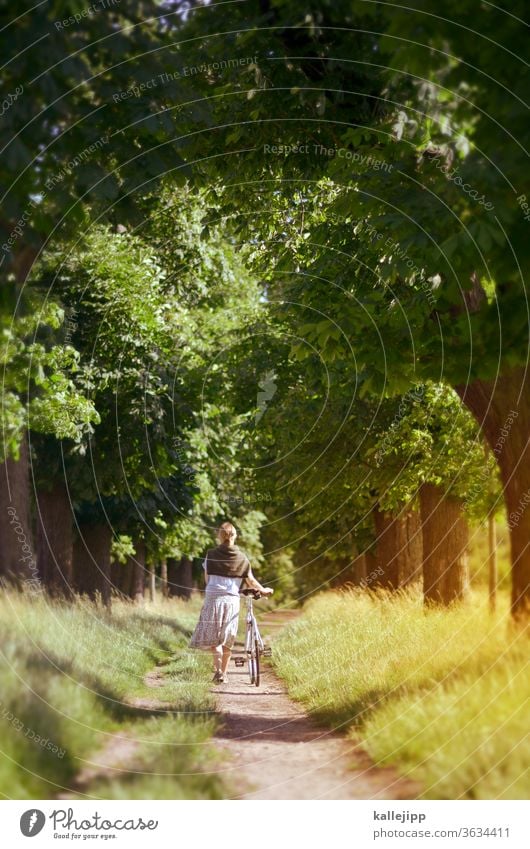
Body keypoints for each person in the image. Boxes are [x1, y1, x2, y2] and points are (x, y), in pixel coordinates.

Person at [189, 521, 273, 683]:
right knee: (228, 637)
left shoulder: (210, 554)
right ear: (236, 536)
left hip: (213, 597)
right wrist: (263, 590)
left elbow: (207, 579)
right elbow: (251, 581)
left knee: (215, 638)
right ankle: (224, 673)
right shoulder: (242, 558)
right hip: (231, 600)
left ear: (219, 536)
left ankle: (218, 671)